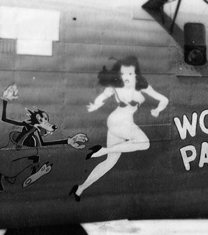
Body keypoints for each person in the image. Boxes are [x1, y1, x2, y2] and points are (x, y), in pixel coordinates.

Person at [70, 56, 168, 201]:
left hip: (124, 123)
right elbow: (102, 96)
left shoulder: (143, 86)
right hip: (118, 121)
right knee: (144, 143)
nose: (126, 77)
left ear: (136, 73)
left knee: (110, 162)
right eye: (123, 74)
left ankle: (80, 189)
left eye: (130, 73)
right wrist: (96, 105)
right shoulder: (116, 87)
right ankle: (102, 150)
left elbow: (164, 99)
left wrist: (158, 110)